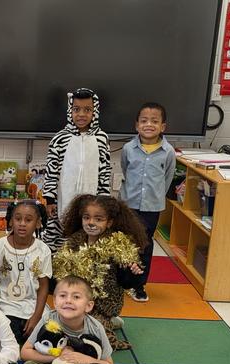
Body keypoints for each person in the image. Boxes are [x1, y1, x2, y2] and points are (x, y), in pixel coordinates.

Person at [54, 194, 146, 350]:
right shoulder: (75, 240)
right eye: (87, 217)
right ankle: (106, 321)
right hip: (77, 299)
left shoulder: (117, 244)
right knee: (59, 328)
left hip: (102, 304)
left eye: (98, 219)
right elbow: (62, 269)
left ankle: (107, 322)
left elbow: (127, 281)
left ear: (109, 222)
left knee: (97, 341)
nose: (91, 223)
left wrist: (132, 271)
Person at [41, 88, 111, 253]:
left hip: (91, 201)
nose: (81, 114)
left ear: (95, 112)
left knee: (86, 242)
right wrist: (49, 199)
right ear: (69, 111)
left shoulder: (102, 138)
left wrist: (104, 200)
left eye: (87, 110)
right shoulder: (59, 139)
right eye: (76, 109)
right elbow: (51, 171)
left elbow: (105, 171)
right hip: (63, 199)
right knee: (59, 241)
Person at [119, 102, 176, 302]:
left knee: (143, 245)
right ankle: (123, 281)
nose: (148, 125)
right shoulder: (128, 149)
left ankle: (139, 284)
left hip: (151, 207)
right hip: (129, 205)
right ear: (136, 125)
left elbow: (167, 178)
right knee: (125, 243)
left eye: (154, 121)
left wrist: (156, 195)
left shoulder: (168, 152)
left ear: (163, 127)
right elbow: (125, 170)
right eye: (144, 121)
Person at [0, 200, 51, 345]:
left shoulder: (43, 250)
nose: (22, 223)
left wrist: (36, 317)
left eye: (28, 220)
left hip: (34, 308)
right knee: (6, 339)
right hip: (6, 307)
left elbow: (44, 287)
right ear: (11, 221)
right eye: (18, 219)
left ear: (38, 223)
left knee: (48, 338)